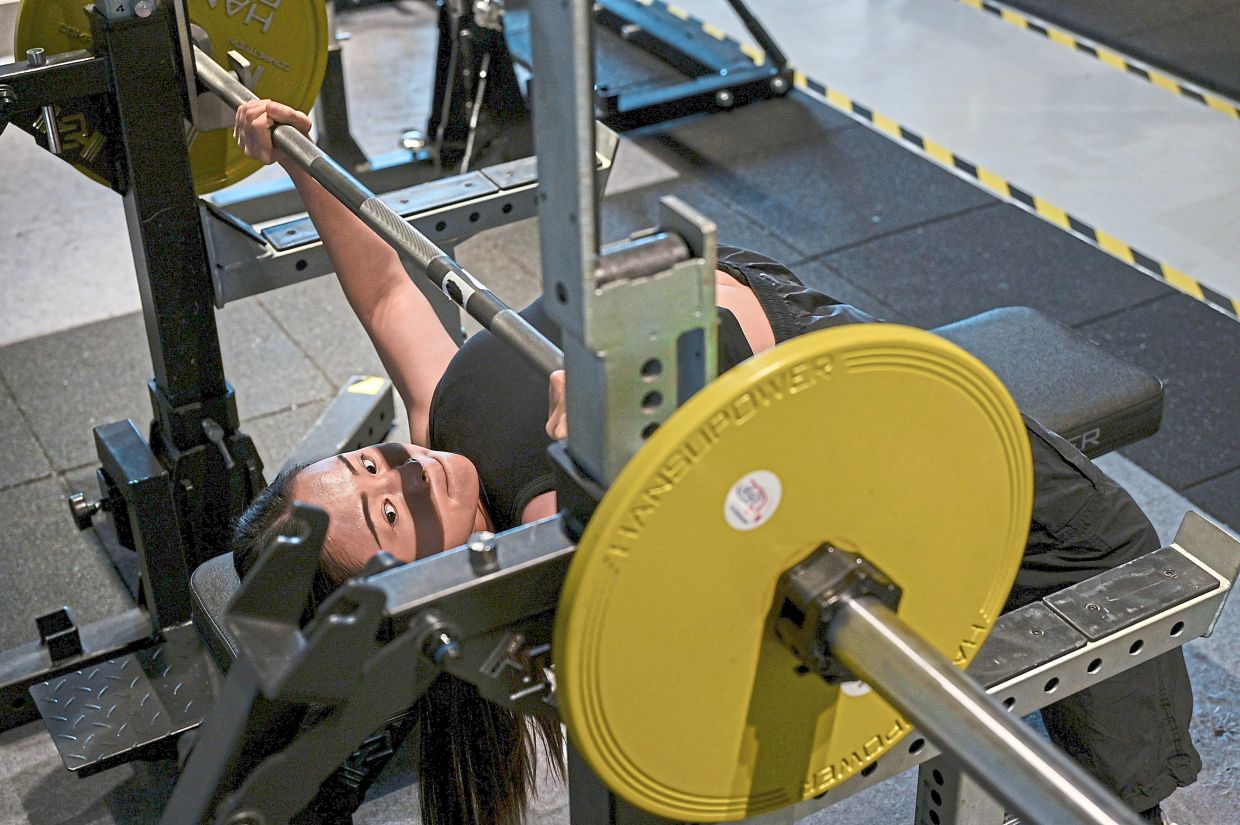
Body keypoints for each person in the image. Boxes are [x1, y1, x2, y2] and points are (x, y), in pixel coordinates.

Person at [230, 100, 1199, 825]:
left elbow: (388, 288)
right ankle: (1131, 803)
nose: (402, 472)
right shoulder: (547, 525)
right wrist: (598, 442)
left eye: (372, 469)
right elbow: (675, 582)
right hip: (830, 384)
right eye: (394, 514)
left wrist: (302, 159)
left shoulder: (439, 420)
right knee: (1116, 551)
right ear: (429, 581)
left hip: (745, 282)